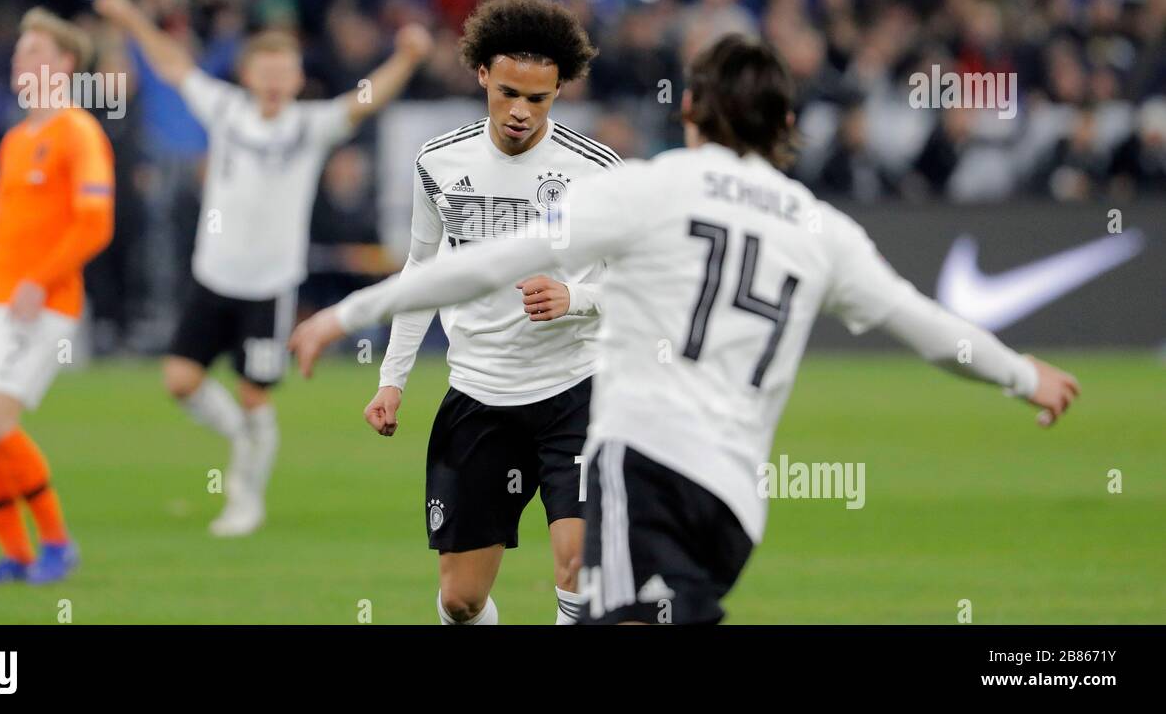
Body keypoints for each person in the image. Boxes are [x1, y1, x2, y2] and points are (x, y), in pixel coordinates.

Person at [290, 33, 1080, 624]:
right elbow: (929, 325)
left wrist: (343, 313)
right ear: (788, 124)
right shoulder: (820, 226)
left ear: (692, 111)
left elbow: (483, 263)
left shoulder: (649, 188)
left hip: (645, 468)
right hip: (735, 503)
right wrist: (1024, 374)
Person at [95, 0, 432, 536]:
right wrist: (132, 17)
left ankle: (244, 498)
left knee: (255, 394)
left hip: (269, 286)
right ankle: (240, 437)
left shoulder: (309, 125)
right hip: (214, 276)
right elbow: (174, 64)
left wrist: (408, 57)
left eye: (285, 72)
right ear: (249, 74)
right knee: (180, 379)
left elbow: (365, 100)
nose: (275, 81)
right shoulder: (226, 110)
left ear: (297, 79)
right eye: (266, 70)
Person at [363, 0, 619, 625]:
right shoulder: (438, 163)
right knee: (460, 598)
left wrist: (577, 299)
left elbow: (644, 286)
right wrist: (392, 379)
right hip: (479, 394)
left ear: (561, 89)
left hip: (575, 390)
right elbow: (422, 271)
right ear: (481, 74)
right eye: (508, 92)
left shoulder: (598, 171)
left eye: (539, 98)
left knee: (578, 563)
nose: (520, 112)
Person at [0, 8, 115, 585]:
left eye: (35, 52)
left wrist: (37, 279)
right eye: (20, 53)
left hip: (43, 304)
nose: (22, 62)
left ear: (65, 64)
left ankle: (58, 544)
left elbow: (94, 224)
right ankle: (15, 557)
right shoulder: (16, 140)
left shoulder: (79, 133)